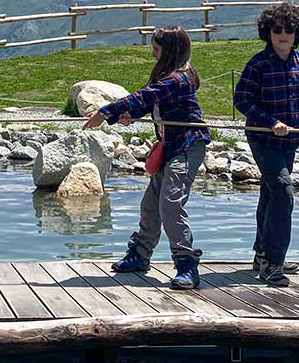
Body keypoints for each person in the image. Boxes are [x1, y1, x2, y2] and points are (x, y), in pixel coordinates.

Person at [84, 26, 210, 291]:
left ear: (170, 51)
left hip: (188, 145)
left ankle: (186, 264)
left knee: (170, 202)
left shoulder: (179, 78)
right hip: (170, 146)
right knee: (151, 203)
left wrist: (106, 112)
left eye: (156, 49)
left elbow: (147, 95)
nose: (153, 54)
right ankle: (140, 255)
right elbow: (147, 103)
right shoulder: (169, 76)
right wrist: (127, 116)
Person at [234, 1, 299, 288]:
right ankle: (273, 263)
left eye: (289, 30)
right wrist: (269, 121)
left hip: (291, 139)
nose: (283, 34)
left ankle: (262, 254)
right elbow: (241, 100)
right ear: (268, 32)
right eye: (277, 29)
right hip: (262, 139)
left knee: (270, 194)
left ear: (297, 33)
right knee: (283, 191)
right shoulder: (258, 63)